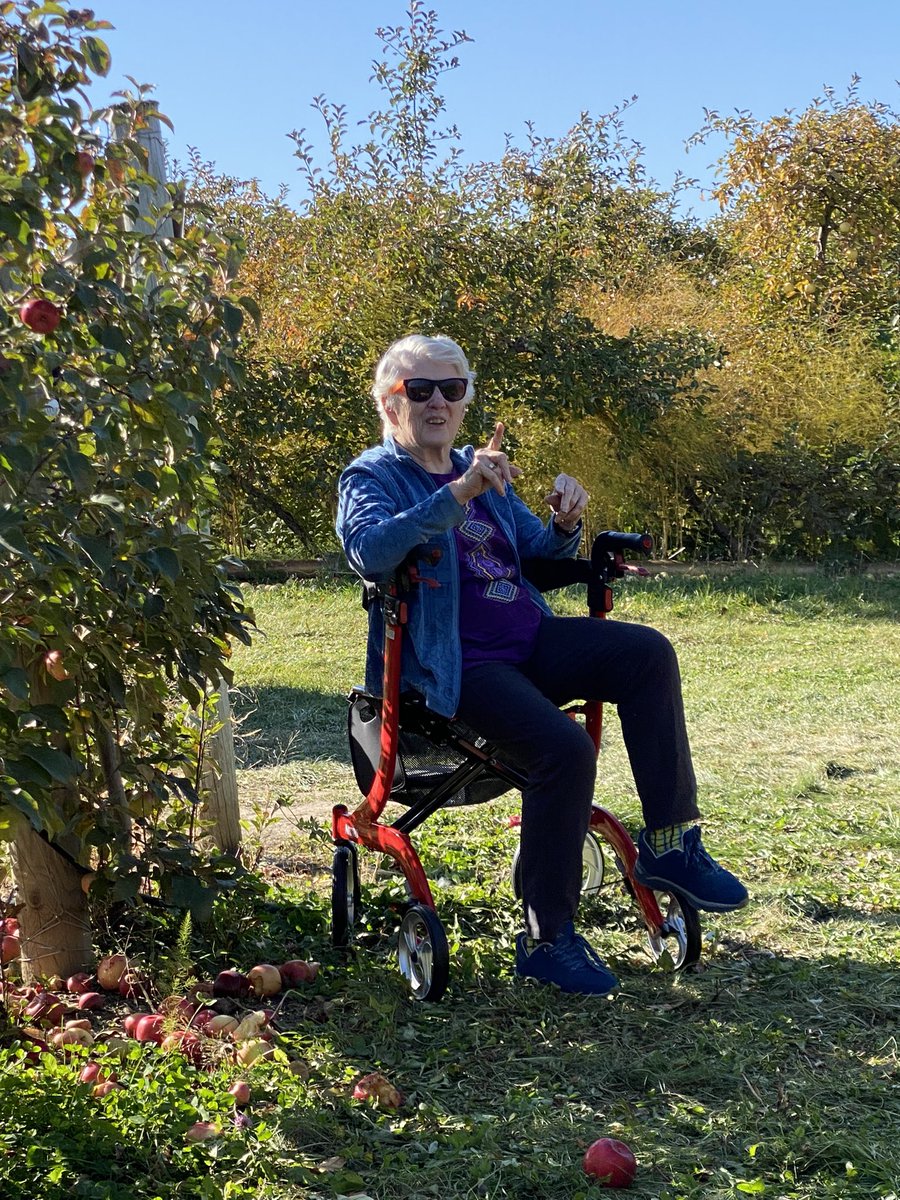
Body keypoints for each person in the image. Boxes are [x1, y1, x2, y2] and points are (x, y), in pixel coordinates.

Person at [336, 333, 747, 996]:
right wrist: (457, 493)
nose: (438, 401)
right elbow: (370, 550)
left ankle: (672, 845)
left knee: (647, 655)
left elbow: (530, 550)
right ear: (390, 403)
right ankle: (547, 938)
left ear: (466, 398)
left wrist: (562, 520)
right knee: (561, 750)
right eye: (421, 390)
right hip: (453, 669)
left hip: (528, 643)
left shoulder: (481, 466)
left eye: (453, 387)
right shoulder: (373, 476)